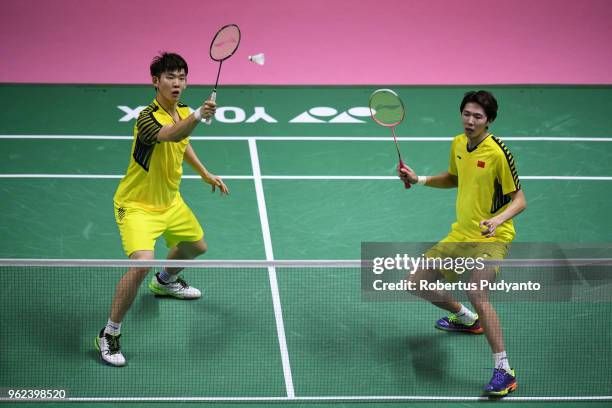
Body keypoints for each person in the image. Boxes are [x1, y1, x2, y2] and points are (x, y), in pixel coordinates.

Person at [95, 52, 228, 366]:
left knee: (196, 246)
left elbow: (182, 144)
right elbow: (171, 135)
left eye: (182, 77)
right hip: (137, 206)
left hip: (170, 202)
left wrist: (204, 172)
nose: (177, 83)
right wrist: (197, 116)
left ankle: (165, 282)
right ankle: (109, 333)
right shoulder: (146, 117)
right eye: (170, 77)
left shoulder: (181, 111)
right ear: (155, 81)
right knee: (141, 264)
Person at [399, 90, 527, 396]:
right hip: (461, 233)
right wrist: (419, 180)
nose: (470, 121)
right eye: (467, 114)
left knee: (475, 288)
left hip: (492, 237)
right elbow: (455, 177)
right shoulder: (458, 143)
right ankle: (467, 319)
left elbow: (520, 199)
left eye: (478, 117)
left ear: (489, 121)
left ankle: (504, 370)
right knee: (415, 282)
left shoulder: (497, 153)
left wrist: (497, 221)